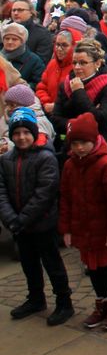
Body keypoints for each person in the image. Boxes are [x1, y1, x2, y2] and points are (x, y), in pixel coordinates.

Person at [58, 112, 107, 330]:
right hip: (84, 230)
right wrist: (67, 229)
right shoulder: (70, 166)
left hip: (104, 231)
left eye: (84, 143)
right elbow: (66, 199)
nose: (79, 148)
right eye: (75, 143)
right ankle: (103, 303)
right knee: (93, 269)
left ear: (94, 140)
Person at [0, 107, 73, 325]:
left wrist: (21, 219)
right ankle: (35, 298)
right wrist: (11, 218)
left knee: (52, 263)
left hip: (42, 224)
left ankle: (64, 302)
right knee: (29, 264)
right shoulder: (7, 159)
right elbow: (1, 190)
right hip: (19, 225)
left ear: (34, 133)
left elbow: (45, 193)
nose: (21, 137)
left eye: (26, 132)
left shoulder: (46, 158)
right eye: (17, 133)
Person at [48, 39, 107, 140]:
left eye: (83, 63)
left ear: (97, 63)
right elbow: (55, 119)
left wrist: (79, 92)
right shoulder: (66, 84)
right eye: (74, 63)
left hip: (97, 141)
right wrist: (76, 126)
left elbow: (100, 120)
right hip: (67, 140)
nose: (77, 67)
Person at [2, 22, 45, 86]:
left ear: (22, 42)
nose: (10, 42)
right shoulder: (1, 58)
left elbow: (38, 83)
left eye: (14, 39)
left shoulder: (34, 61)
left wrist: (23, 88)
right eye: (7, 39)